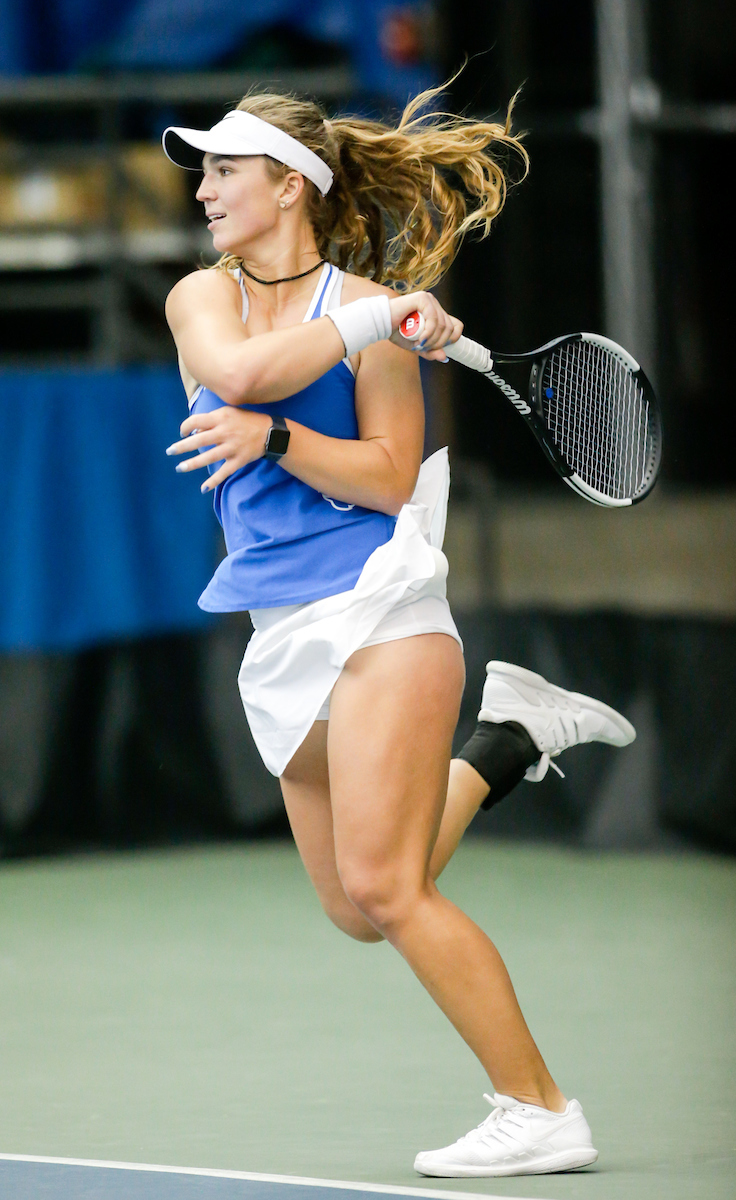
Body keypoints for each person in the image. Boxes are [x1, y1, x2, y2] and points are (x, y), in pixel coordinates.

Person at [161, 84, 635, 1179]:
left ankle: (538, 1107)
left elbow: (384, 478)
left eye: (228, 168)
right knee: (355, 907)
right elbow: (232, 375)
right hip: (275, 624)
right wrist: (371, 324)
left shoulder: (374, 312)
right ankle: (510, 738)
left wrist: (280, 433)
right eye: (204, 169)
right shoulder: (205, 298)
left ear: (291, 184)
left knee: (388, 888)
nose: (205, 187)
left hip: (383, 608)